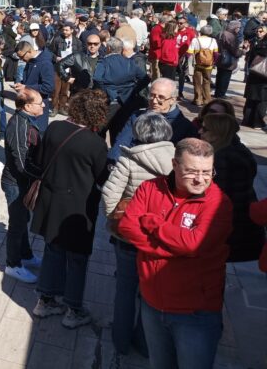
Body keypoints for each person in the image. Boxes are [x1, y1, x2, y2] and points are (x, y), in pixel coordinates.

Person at [117, 139, 233, 369]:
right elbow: (127, 226)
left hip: (195, 314)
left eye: (207, 172)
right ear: (174, 164)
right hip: (152, 303)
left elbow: (193, 245)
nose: (200, 179)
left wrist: (153, 223)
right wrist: (174, 248)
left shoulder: (219, 203)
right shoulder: (150, 188)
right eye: (191, 171)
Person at [31, 90, 109, 329]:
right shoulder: (95, 143)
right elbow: (102, 176)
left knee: (52, 249)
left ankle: (45, 300)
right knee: (77, 258)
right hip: (78, 207)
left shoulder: (55, 128)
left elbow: (42, 160)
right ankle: (73, 309)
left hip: (51, 199)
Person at [101, 113, 174, 361]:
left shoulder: (129, 159)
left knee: (125, 288)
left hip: (129, 239)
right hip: (160, 237)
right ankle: (146, 343)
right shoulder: (177, 159)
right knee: (151, 293)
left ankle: (120, 340)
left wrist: (115, 224)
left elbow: (110, 197)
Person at [199, 113, 263, 263]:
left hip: (232, 231)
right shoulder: (238, 150)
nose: (200, 132)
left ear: (217, 133)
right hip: (242, 227)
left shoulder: (222, 159)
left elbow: (214, 198)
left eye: (205, 129)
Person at [2, 89, 45, 283]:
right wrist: (43, 174)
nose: (43, 106)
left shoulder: (26, 121)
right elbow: (21, 163)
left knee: (22, 220)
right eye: (39, 103)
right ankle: (13, 264)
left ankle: (26, 255)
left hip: (23, 182)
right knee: (17, 224)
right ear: (27, 106)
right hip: (16, 183)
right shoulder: (19, 126)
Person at [108, 78, 197, 164]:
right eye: (152, 95)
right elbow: (121, 143)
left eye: (161, 97)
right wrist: (112, 164)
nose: (154, 101)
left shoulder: (185, 127)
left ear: (172, 100)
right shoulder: (137, 116)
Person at [14, 40, 55, 132]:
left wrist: (26, 87)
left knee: (37, 134)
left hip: (38, 106)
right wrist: (21, 84)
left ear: (29, 51)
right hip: (28, 105)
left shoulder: (45, 63)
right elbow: (29, 80)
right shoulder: (30, 61)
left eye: (21, 56)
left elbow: (48, 87)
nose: (21, 59)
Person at [49, 22, 82, 116]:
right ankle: (55, 108)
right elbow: (50, 52)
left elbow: (80, 55)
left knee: (65, 90)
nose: (64, 32)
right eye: (63, 30)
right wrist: (56, 58)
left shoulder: (77, 42)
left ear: (72, 30)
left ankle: (62, 107)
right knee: (56, 90)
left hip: (69, 70)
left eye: (67, 30)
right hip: (58, 68)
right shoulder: (57, 40)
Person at [242, 23, 267, 129]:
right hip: (262, 75)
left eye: (261, 31)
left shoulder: (258, 43)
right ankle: (256, 122)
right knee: (260, 99)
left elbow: (251, 56)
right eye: (258, 31)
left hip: (255, 73)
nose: (258, 33)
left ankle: (248, 120)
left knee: (253, 98)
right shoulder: (259, 43)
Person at [188, 24, 219, 106]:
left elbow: (189, 53)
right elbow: (216, 54)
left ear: (201, 32)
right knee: (207, 82)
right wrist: (214, 63)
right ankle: (207, 100)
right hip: (209, 65)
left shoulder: (196, 40)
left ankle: (198, 99)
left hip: (198, 64)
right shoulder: (213, 40)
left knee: (197, 82)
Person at [213, 20, 243, 99]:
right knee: (225, 77)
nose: (239, 29)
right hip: (228, 60)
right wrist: (242, 52)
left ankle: (217, 92)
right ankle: (221, 94)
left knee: (219, 75)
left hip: (219, 58)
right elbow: (234, 51)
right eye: (238, 27)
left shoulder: (221, 33)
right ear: (235, 27)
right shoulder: (231, 36)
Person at [175, 14, 197, 97]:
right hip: (174, 55)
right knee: (172, 76)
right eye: (178, 23)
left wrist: (190, 54)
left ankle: (180, 92)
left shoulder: (190, 32)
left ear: (185, 23)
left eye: (181, 23)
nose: (179, 24)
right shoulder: (174, 31)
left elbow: (194, 43)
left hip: (184, 56)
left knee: (182, 75)